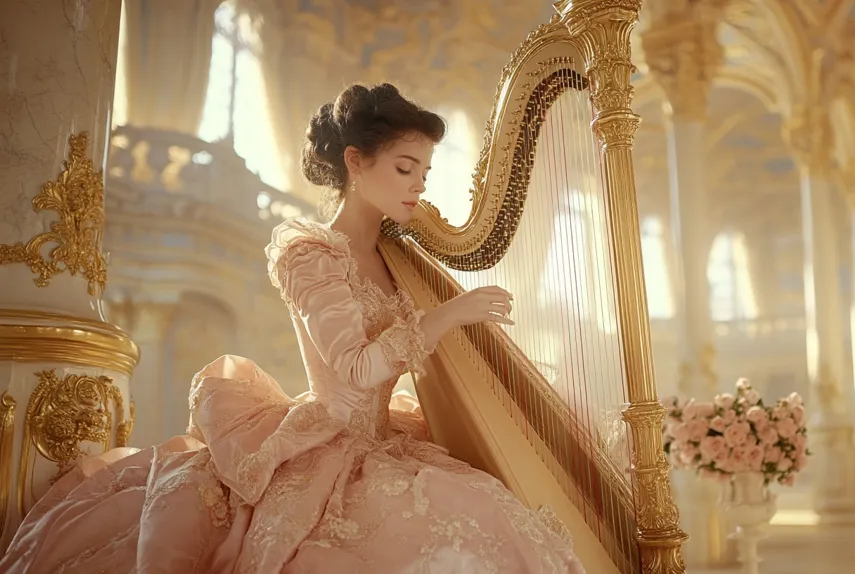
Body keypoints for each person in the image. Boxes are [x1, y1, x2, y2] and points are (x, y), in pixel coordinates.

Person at [0, 83, 585, 574]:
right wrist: (448, 315)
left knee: (495, 514)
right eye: (406, 168)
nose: (419, 185)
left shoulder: (397, 255)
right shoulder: (310, 255)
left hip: (387, 438)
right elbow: (354, 367)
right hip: (328, 444)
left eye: (425, 172)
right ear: (355, 161)